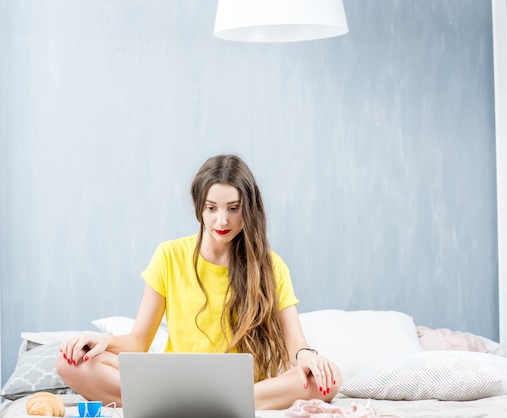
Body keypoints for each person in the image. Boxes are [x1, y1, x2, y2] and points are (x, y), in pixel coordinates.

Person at [56, 154, 341, 410]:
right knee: (70, 363)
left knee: (331, 379)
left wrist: (307, 356)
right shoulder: (169, 255)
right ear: (199, 209)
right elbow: (138, 341)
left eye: (233, 208)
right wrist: (105, 341)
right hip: (174, 381)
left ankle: (192, 405)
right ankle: (208, 404)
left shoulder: (271, 266)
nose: (222, 220)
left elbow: (296, 345)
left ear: (248, 209)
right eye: (211, 208)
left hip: (242, 388)